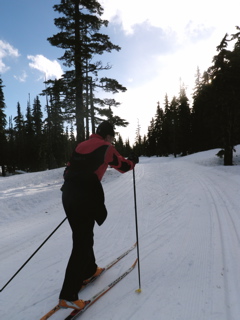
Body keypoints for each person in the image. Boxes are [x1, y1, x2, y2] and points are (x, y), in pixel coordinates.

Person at [59, 121, 139, 310]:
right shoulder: (106, 148)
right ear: (108, 135)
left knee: (84, 236)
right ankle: (68, 296)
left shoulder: (81, 145)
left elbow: (68, 170)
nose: (113, 138)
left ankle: (89, 270)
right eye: (112, 135)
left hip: (68, 194)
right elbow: (123, 166)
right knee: (81, 243)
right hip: (85, 197)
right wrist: (133, 160)